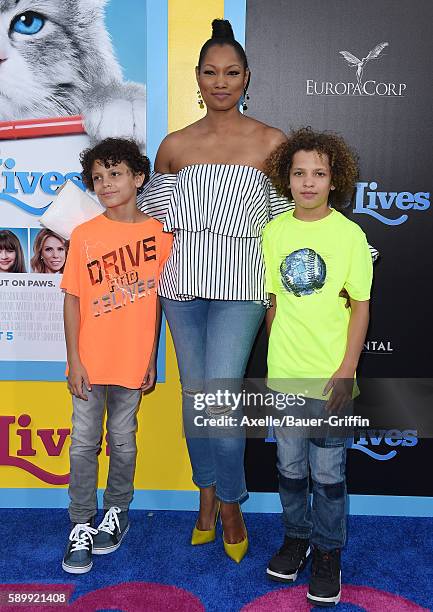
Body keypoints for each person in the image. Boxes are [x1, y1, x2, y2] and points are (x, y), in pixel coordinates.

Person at [137, 19, 289, 563]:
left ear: (247, 78)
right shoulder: (174, 147)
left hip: (242, 289)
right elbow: (152, 228)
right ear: (196, 79)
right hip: (181, 290)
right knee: (194, 399)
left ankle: (230, 504)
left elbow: (285, 230)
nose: (220, 81)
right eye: (210, 72)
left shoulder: (273, 143)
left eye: (231, 72)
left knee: (220, 402)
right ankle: (205, 496)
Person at [263, 127, 373, 607]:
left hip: (330, 378)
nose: (309, 182)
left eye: (319, 173)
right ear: (287, 179)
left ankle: (328, 552)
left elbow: (361, 307)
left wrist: (347, 369)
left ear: (335, 180)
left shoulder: (351, 236)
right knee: (289, 468)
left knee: (328, 475)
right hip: (284, 374)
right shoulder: (274, 232)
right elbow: (273, 300)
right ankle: (296, 538)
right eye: (300, 173)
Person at [60, 138, 172, 574]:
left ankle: (117, 511)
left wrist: (150, 358)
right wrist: (75, 360)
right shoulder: (85, 235)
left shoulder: (160, 235)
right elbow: (71, 299)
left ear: (139, 177)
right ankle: (81, 523)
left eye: (116, 173)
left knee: (123, 442)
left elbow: (161, 301)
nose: (106, 184)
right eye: (98, 177)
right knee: (83, 444)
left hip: (131, 362)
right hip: (89, 361)